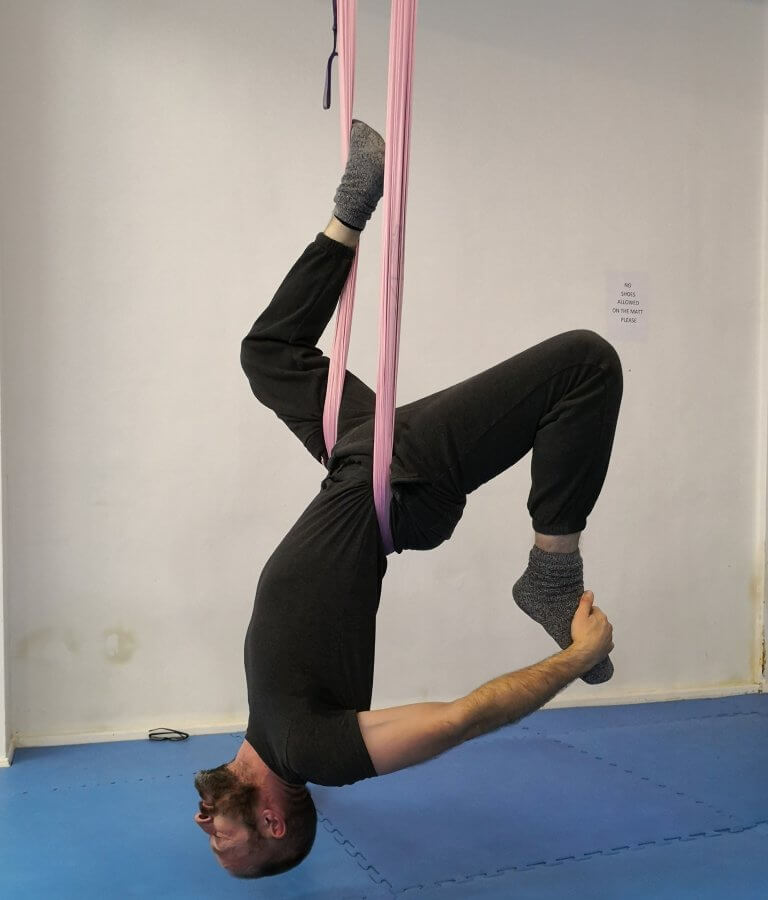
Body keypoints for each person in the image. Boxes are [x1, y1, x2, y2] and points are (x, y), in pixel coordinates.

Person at [193, 121, 623, 878]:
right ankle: (551, 571)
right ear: (269, 816)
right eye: (223, 838)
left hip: (355, 469)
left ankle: (352, 204)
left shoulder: (271, 732)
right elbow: (459, 720)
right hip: (399, 482)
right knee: (585, 364)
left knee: (268, 355)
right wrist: (576, 658)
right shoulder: (310, 752)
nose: (204, 823)